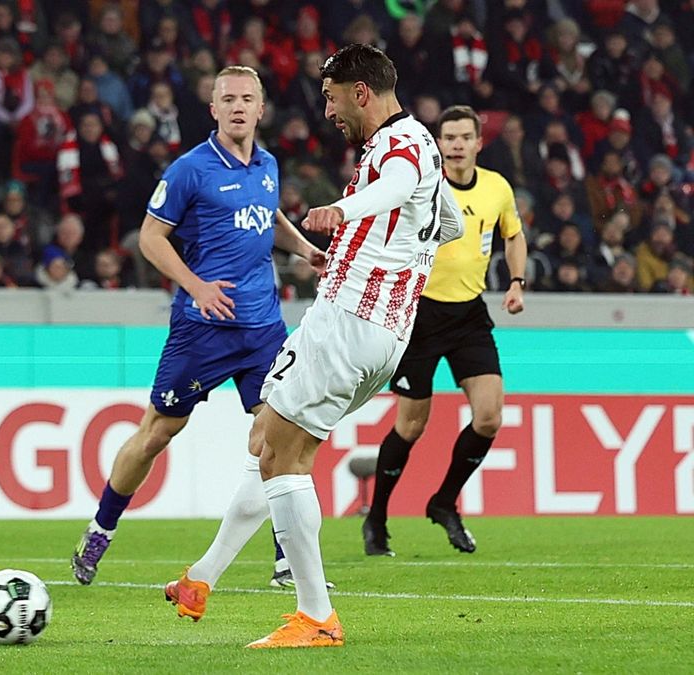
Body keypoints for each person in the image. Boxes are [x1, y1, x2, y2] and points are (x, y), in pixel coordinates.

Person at [69, 66, 327, 592]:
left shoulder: (269, 165)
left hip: (262, 329)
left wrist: (302, 248)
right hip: (201, 328)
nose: (238, 106)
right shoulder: (190, 169)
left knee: (281, 435)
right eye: (227, 98)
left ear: (260, 109)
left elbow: (268, 214)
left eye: (247, 99)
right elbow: (150, 238)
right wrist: (197, 285)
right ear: (213, 109)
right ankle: (101, 529)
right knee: (157, 434)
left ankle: (285, 560)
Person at [241, 44, 463, 648]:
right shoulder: (423, 145)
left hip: (349, 320)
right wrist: (394, 251)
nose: (329, 110)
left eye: (333, 97)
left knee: (281, 454)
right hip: (383, 331)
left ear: (360, 91)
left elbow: (390, 189)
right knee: (269, 441)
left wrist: (344, 209)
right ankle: (207, 577)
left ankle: (315, 615)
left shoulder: (399, 148)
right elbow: (452, 224)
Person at [363, 105, 527, 558]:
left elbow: (512, 234)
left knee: (490, 415)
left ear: (478, 142)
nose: (455, 144)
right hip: (419, 315)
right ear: (438, 143)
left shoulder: (497, 188)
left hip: (469, 315)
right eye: (447, 137)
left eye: (463, 137)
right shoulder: (420, 185)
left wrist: (516, 282)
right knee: (411, 425)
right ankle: (377, 517)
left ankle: (443, 502)